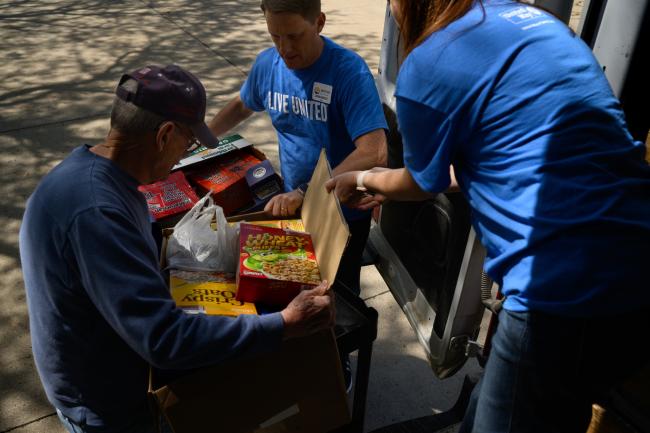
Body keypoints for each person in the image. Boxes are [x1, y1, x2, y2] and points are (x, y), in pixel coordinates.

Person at [325, 1, 650, 432]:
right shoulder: (537, 23)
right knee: (541, 405)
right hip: (636, 262)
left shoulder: (429, 60)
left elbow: (424, 181)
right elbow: (502, 157)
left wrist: (364, 178)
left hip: (559, 291)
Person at [19, 64, 335, 433]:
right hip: (103, 402)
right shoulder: (97, 213)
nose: (185, 154)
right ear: (165, 135)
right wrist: (283, 324)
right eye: (189, 142)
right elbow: (165, 340)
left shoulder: (103, 173)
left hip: (112, 357)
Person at [208, 0, 388, 297]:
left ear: (319, 22)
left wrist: (306, 191)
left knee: (338, 303)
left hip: (340, 215)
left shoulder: (348, 72)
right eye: (275, 37)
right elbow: (243, 103)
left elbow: (375, 151)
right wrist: (206, 136)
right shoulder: (268, 64)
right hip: (293, 204)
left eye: (293, 36)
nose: (284, 48)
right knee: (295, 293)